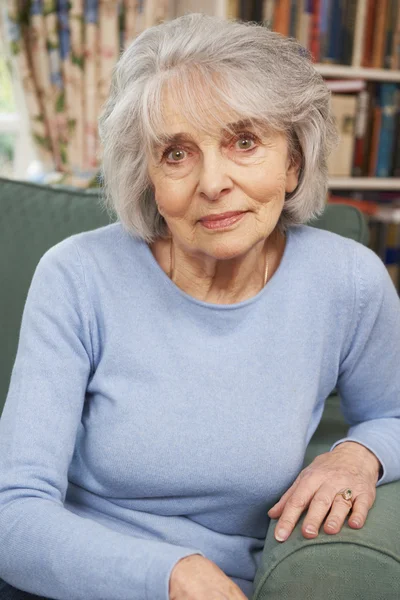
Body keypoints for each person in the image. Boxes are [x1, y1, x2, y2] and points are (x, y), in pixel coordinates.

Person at [0, 12, 399, 600]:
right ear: (149, 179)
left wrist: (360, 456)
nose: (213, 182)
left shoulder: (346, 280)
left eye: (244, 142)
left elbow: (394, 413)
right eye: (177, 154)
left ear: (293, 162)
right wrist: (169, 574)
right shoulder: (77, 275)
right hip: (68, 579)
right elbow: (13, 512)